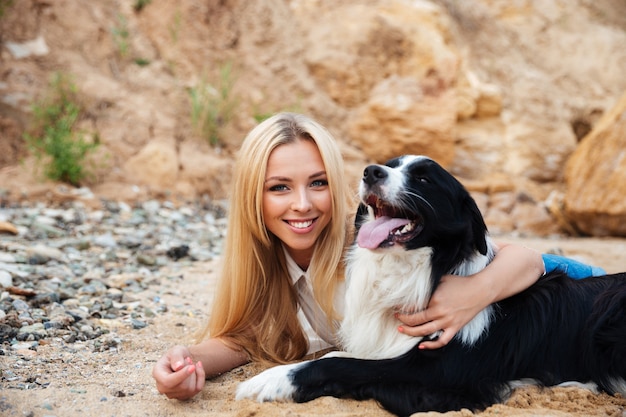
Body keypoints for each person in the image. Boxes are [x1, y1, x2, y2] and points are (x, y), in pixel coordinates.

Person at [152, 112, 604, 400]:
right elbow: (244, 339)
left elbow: (526, 260)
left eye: (318, 183)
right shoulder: (279, 269)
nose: (303, 205)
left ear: (338, 185)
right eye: (279, 188)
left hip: (569, 283)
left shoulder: (371, 253)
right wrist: (186, 361)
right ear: (254, 198)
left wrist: (476, 291)